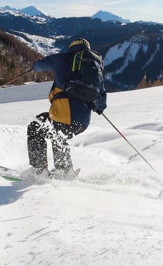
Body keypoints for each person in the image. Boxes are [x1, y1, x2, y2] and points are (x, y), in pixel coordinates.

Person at [26, 38, 107, 178]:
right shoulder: (94, 68)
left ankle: (40, 170)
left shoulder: (61, 59)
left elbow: (39, 66)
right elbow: (101, 102)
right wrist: (98, 108)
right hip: (82, 123)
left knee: (37, 127)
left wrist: (33, 67)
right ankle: (64, 170)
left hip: (64, 116)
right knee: (56, 132)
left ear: (71, 48)